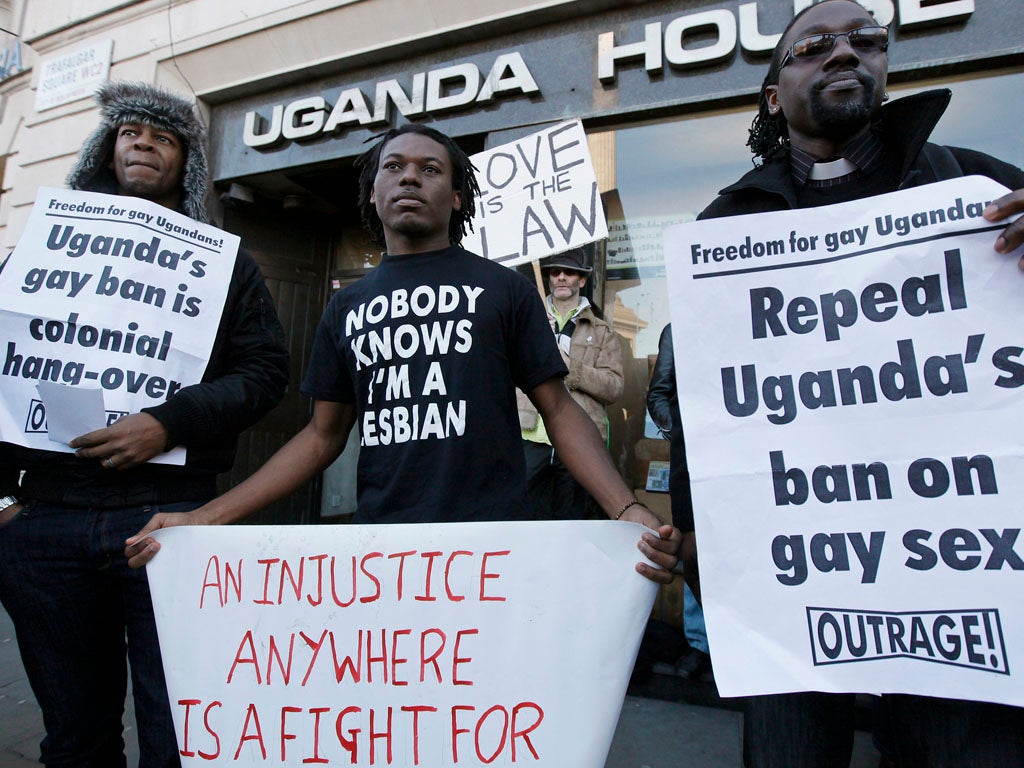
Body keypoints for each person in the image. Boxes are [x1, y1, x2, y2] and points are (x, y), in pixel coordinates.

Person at [125, 124, 681, 585]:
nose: (410, 175)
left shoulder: (504, 289)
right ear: (373, 192)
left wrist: (626, 509)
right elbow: (320, 438)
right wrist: (205, 519)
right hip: (382, 553)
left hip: (492, 548)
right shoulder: (347, 308)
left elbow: (559, 412)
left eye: (430, 169)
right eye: (393, 167)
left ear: (457, 197)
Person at [697, 1, 1024, 765]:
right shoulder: (726, 227)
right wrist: (708, 549)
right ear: (775, 95)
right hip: (793, 584)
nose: (843, 53)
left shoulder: (981, 191)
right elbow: (710, 408)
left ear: (884, 63)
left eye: (864, 40)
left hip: (957, 569)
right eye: (813, 46)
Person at [0, 81, 289, 768]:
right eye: (129, 131)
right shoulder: (35, 248)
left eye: (163, 135)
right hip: (43, 522)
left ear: (185, 161)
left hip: (169, 519)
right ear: (106, 147)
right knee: (73, 738)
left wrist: (168, 422)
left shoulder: (224, 264)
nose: (142, 141)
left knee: (182, 735)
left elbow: (264, 372)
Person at [518, 248, 623, 519]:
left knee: (574, 522)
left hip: (579, 441)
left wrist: (570, 367)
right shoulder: (525, 320)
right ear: (549, 278)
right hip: (530, 439)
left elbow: (613, 387)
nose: (562, 277)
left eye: (569, 272)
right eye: (555, 272)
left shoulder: (602, 331)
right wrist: (533, 331)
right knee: (527, 522)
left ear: (582, 280)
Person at [646, 324, 709, 680]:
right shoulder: (676, 328)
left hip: (743, 457)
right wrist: (683, 436)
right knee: (691, 546)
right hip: (691, 460)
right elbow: (658, 395)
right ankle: (700, 643)